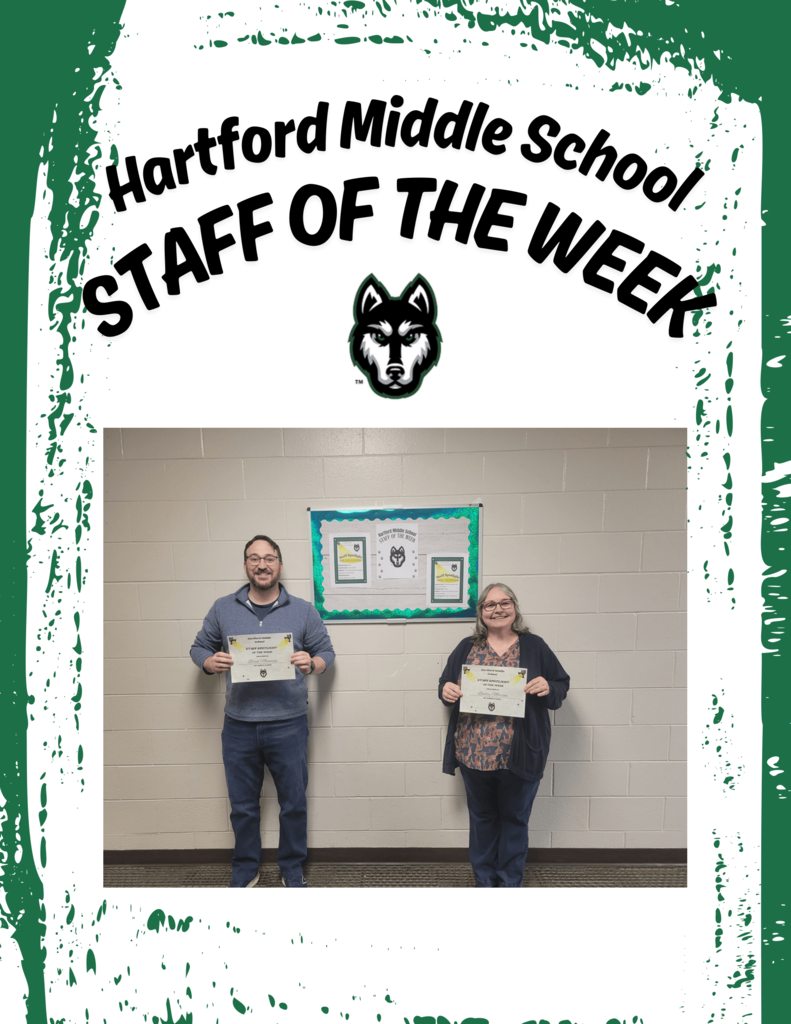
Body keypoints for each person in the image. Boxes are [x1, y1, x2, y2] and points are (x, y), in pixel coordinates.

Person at [190, 534, 335, 889]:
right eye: (254, 558)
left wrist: (312, 663)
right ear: (245, 566)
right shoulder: (223, 608)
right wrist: (209, 661)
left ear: (280, 565)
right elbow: (198, 648)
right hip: (239, 725)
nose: (262, 564)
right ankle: (245, 867)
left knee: (293, 804)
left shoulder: (302, 610)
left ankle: (292, 867)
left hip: (289, 724)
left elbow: (327, 654)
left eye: (269, 558)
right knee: (242, 806)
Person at [438, 582, 569, 887]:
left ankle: (509, 882)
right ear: (481, 613)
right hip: (473, 753)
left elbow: (561, 684)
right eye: (490, 604)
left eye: (504, 603)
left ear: (514, 608)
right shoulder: (466, 647)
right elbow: (445, 684)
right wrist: (446, 690)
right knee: (482, 820)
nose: (498, 609)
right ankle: (484, 880)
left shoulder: (534, 646)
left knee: (515, 820)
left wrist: (549, 687)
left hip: (520, 752)